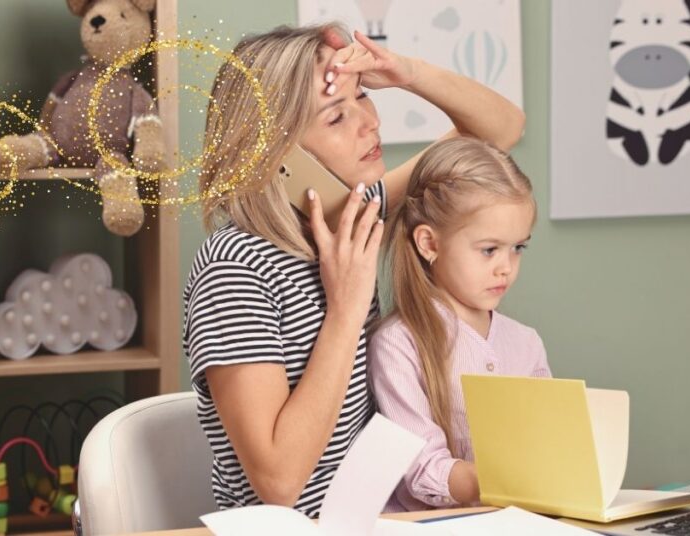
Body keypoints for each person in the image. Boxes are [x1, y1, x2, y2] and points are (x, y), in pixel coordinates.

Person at [182, 23, 525, 517]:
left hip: (374, 520)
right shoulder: (234, 267)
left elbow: (500, 130)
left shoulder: (354, 217)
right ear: (277, 157)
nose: (369, 122)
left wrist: (408, 73)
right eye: (336, 116)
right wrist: (345, 309)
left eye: (362, 96)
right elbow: (278, 482)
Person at [369, 136, 552, 512]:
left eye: (518, 247)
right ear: (429, 244)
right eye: (489, 249)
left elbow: (545, 443)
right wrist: (502, 480)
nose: (506, 266)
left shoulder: (526, 343)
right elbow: (420, 468)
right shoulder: (398, 343)